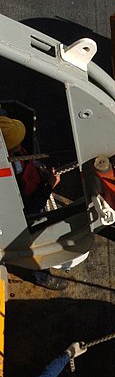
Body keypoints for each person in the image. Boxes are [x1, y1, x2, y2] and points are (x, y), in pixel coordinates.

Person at [0, 115, 68, 291]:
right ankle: (42, 276)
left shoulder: (14, 152)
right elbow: (29, 205)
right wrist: (49, 185)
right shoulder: (9, 177)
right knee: (34, 242)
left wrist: (41, 171)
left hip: (33, 190)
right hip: (24, 211)